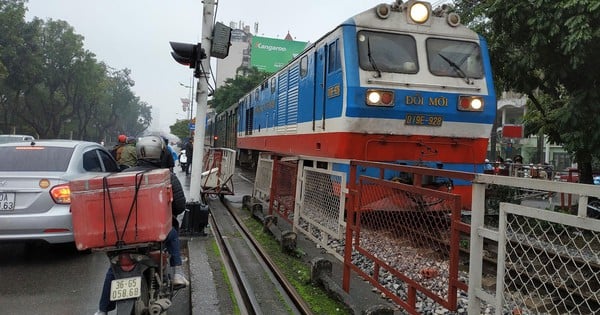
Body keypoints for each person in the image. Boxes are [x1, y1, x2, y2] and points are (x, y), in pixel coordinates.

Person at [94, 135, 188, 315]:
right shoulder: (167, 176)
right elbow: (180, 206)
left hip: (124, 235)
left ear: (139, 153)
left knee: (114, 268)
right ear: (160, 154)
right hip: (156, 234)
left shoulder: (121, 176)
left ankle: (102, 310)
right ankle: (177, 272)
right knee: (173, 234)